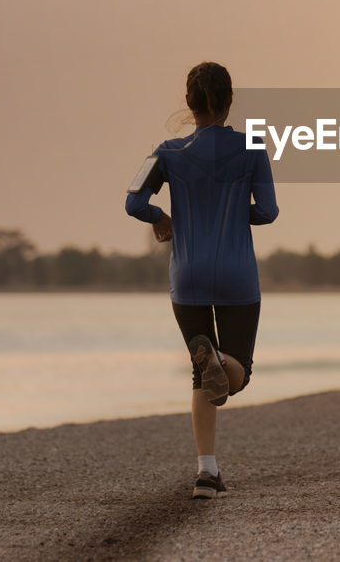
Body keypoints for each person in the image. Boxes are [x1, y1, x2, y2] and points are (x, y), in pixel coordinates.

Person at [124, 61, 278, 499]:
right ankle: (214, 360)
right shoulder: (251, 148)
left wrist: (162, 217)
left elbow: (134, 201)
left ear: (189, 104)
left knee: (201, 373)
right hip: (236, 276)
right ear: (230, 101)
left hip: (187, 277)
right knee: (237, 374)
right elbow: (268, 211)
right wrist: (232, 216)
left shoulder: (167, 152)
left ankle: (206, 473)